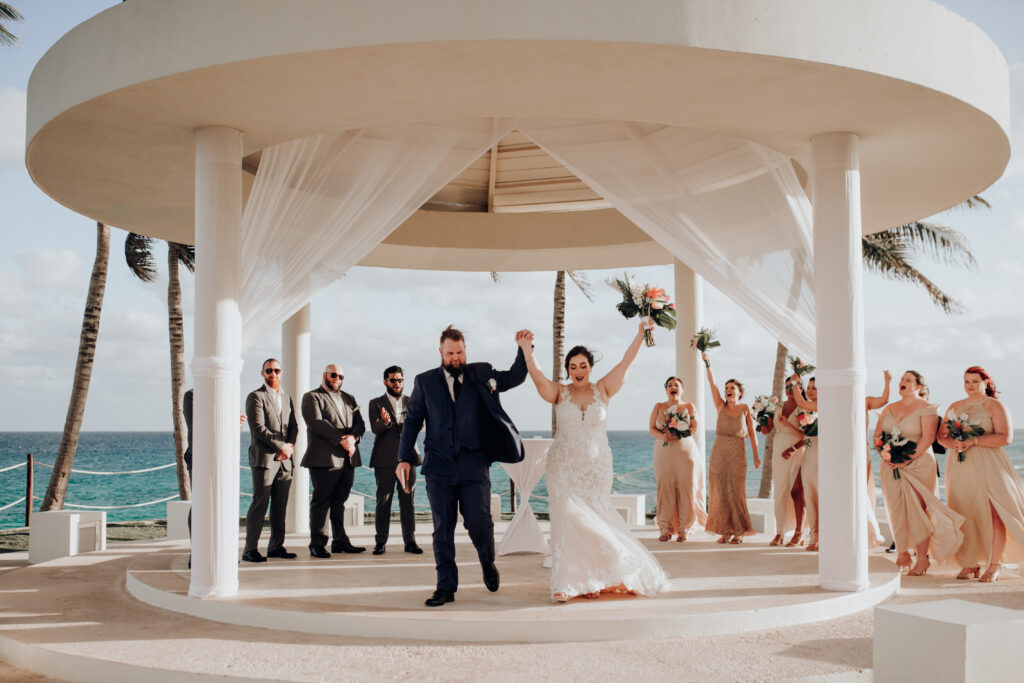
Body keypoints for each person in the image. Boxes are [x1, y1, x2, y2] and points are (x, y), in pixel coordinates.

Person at [518, 321, 668, 602]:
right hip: (563, 468)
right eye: (573, 366)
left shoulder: (604, 389)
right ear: (567, 369)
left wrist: (640, 334)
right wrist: (527, 350)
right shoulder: (559, 393)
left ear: (590, 367)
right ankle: (566, 583)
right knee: (567, 521)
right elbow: (537, 377)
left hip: (596, 468)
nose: (577, 371)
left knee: (594, 523)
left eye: (583, 365)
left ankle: (593, 579)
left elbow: (626, 362)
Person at [397, 326, 529, 607]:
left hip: (474, 463)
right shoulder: (424, 382)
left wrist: (523, 348)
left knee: (479, 523)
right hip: (439, 467)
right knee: (442, 529)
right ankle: (446, 587)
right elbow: (412, 422)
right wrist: (403, 458)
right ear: (440, 352)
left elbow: (514, 377)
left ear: (465, 349)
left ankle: (487, 562)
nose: (455, 358)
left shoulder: (481, 374)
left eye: (460, 352)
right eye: (450, 353)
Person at [873, 370, 963, 576]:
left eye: (908, 380)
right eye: (902, 379)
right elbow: (878, 436)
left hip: (919, 464)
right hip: (890, 465)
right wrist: (885, 455)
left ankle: (922, 558)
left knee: (918, 509)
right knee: (895, 507)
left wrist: (905, 459)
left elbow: (928, 438)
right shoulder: (889, 408)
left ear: (918, 387)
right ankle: (902, 553)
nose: (902, 382)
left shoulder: (926, 408)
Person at [938, 366, 1024, 582]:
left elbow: (1006, 438)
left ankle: (995, 564)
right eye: (966, 381)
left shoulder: (994, 405)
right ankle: (971, 563)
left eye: (975, 381)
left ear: (986, 382)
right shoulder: (955, 406)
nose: (970, 386)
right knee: (964, 512)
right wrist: (954, 443)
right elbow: (941, 437)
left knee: (994, 512)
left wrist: (974, 440)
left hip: (989, 465)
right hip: (960, 466)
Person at [300, 364, 366, 558]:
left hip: (348, 457)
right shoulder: (312, 397)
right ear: (325, 375)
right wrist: (342, 440)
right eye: (334, 374)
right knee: (321, 501)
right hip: (324, 459)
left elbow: (359, 423)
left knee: (339, 501)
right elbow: (316, 422)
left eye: (341, 376)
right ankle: (317, 544)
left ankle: (340, 541)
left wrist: (353, 438)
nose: (337, 378)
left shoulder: (349, 398)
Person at [242, 358, 299, 563]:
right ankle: (250, 549)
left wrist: (289, 447)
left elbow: (294, 426)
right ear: (262, 373)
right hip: (265, 459)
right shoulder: (255, 397)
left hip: (286, 459)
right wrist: (280, 446)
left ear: (281, 373)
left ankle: (276, 546)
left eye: (276, 370)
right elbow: (258, 429)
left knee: (280, 506)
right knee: (260, 503)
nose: (273, 373)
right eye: (269, 370)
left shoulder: (286, 397)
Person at [703, 352, 760, 544]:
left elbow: (752, 434)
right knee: (719, 492)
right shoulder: (720, 406)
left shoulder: (745, 409)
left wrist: (756, 456)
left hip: (738, 454)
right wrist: (707, 363)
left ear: (739, 392)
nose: (728, 390)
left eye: (732, 388)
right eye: (726, 388)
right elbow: (712, 385)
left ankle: (739, 531)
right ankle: (725, 531)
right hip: (719, 454)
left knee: (736, 492)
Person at [368, 365, 423, 555]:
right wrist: (385, 422)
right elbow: (375, 429)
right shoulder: (375, 403)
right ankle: (380, 542)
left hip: (408, 458)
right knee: (383, 501)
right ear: (385, 382)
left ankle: (410, 541)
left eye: (400, 380)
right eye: (393, 380)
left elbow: (420, 425)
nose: (397, 383)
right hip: (384, 459)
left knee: (408, 501)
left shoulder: (413, 401)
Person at [648, 376, 706, 542]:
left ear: (682, 389)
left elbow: (694, 428)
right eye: (670, 385)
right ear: (666, 390)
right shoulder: (659, 406)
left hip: (685, 452)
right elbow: (652, 428)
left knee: (686, 488)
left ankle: (684, 528)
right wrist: (663, 435)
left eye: (676, 385)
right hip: (664, 452)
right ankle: (664, 528)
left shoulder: (689, 406)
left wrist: (679, 433)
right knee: (664, 488)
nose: (673, 387)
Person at [761, 379, 806, 547]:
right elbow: (767, 430)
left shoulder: (805, 408)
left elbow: (806, 436)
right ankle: (779, 532)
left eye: (792, 386)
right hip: (779, 450)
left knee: (797, 493)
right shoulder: (778, 406)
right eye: (786, 386)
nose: (788, 389)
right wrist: (761, 415)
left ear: (800, 389)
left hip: (798, 452)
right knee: (779, 491)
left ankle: (799, 532)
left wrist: (793, 448)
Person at [789, 374, 820, 551]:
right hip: (809, 452)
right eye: (808, 388)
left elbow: (800, 402)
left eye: (813, 388)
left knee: (821, 494)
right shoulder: (809, 410)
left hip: (822, 453)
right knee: (810, 494)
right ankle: (813, 536)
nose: (809, 391)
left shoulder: (823, 405)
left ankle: (823, 536)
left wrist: (795, 383)